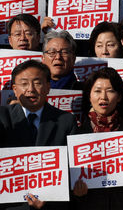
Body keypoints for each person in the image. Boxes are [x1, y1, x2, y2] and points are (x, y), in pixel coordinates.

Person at [0, 60, 78, 209]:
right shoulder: (2, 117)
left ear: (48, 87)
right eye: (24, 84)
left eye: (37, 83)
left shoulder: (66, 121)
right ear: (14, 89)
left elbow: (71, 171)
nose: (31, 89)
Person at [72, 67, 123, 210]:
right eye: (97, 91)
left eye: (110, 91)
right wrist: (79, 195)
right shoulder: (77, 135)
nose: (103, 97)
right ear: (89, 96)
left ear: (119, 96)